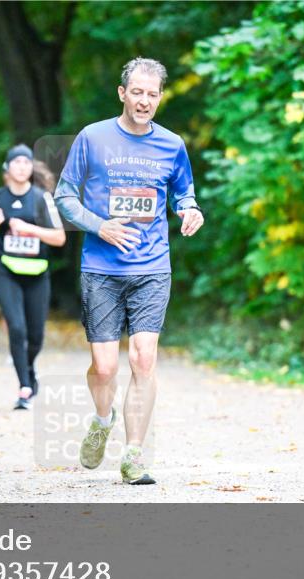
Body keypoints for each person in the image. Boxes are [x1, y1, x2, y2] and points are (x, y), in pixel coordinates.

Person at [55, 57, 204, 485]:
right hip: (100, 267)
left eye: (152, 94)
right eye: (136, 92)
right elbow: (65, 197)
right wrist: (99, 225)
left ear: (160, 98)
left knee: (143, 358)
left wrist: (189, 210)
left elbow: (183, 192)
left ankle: (134, 454)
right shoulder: (92, 138)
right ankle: (103, 419)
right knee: (104, 368)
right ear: (122, 93)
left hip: (152, 266)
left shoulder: (172, 145)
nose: (144, 100)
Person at [0, 145, 66, 410]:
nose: (21, 167)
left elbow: (59, 238)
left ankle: (28, 369)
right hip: (7, 272)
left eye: (26, 162)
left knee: (36, 335)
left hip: (37, 273)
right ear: (7, 168)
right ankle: (24, 387)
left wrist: (28, 229)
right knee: (17, 328)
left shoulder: (41, 198)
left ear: (31, 168)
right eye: (16, 162)